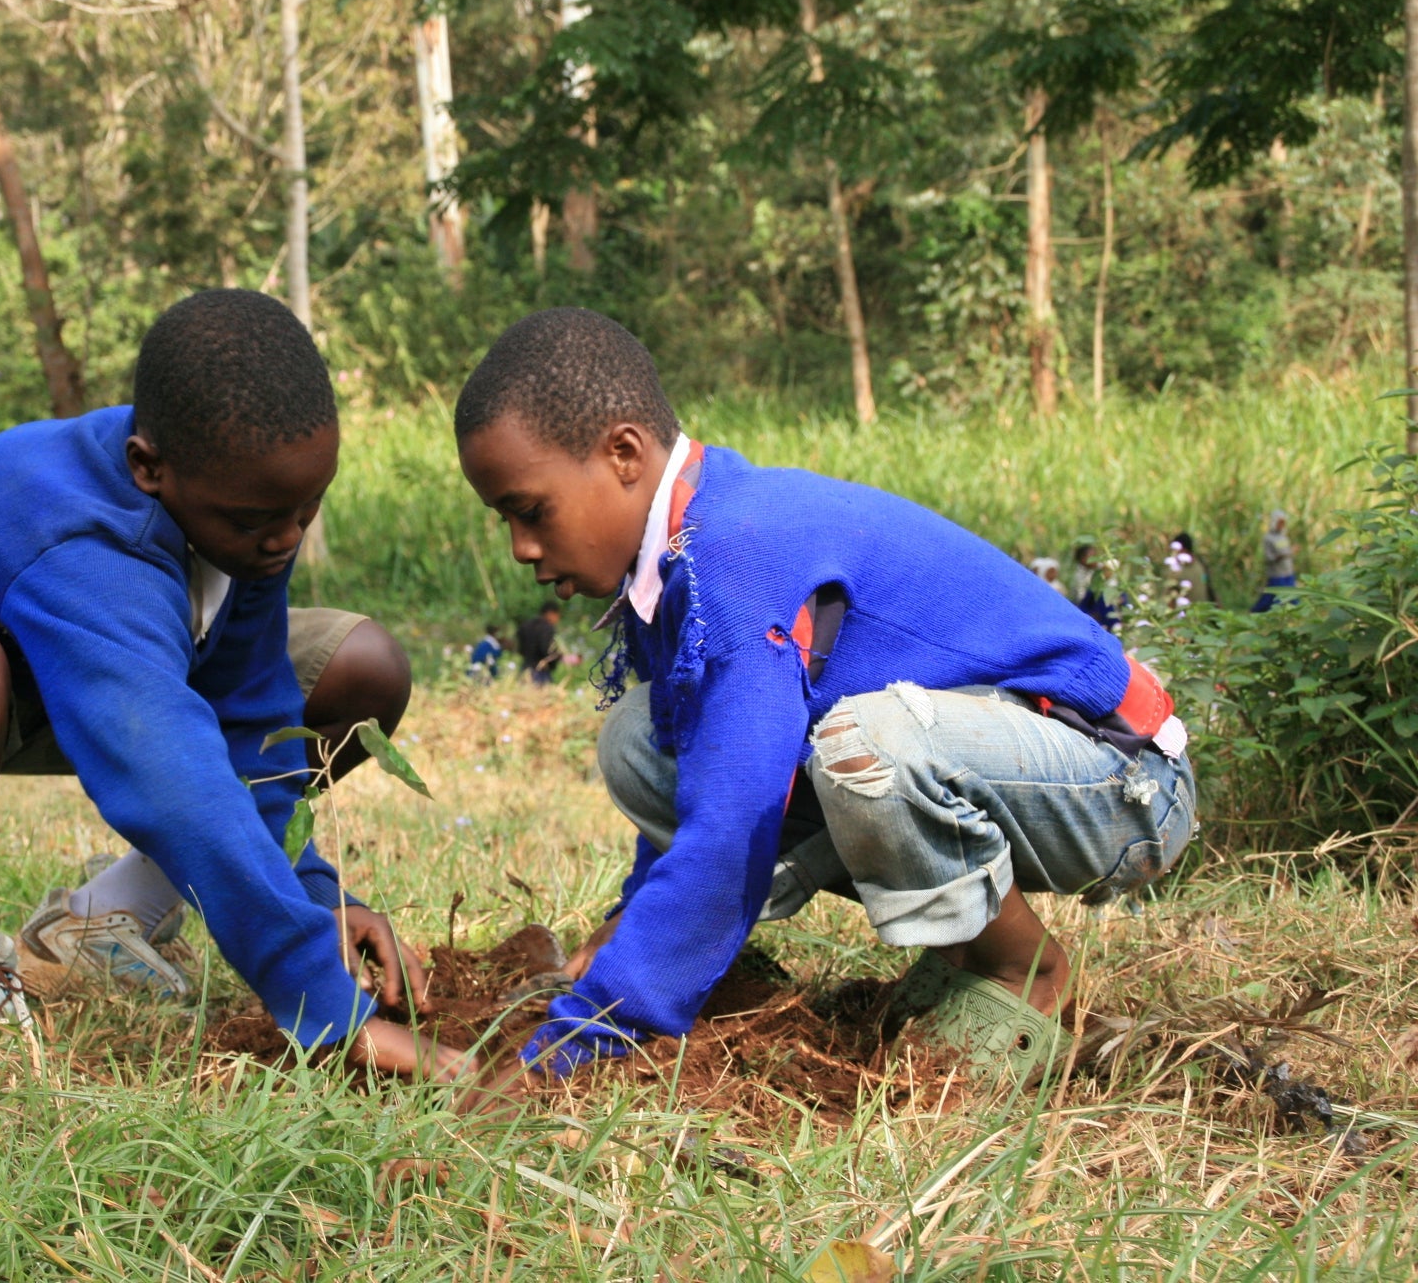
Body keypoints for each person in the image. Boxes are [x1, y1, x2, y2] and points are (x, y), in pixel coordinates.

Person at [454, 308, 1196, 1087]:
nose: (522, 550)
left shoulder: (736, 554)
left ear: (625, 454)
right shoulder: (678, 557)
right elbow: (708, 770)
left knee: (861, 743)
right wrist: (635, 921)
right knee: (644, 740)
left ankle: (1025, 972)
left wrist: (587, 1037)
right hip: (1000, 763)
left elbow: (736, 817)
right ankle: (954, 958)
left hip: (1119, 777)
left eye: (530, 511)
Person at [0, 290, 457, 1080]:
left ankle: (99, 922)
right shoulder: (85, 539)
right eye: (263, 517)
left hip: (40, 677)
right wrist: (330, 1012)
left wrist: (319, 898)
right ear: (147, 468)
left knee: (358, 666)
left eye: (309, 506)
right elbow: (172, 778)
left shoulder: (242, 499)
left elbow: (251, 721)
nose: (287, 538)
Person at [1253, 510, 1295, 613]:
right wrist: (1285, 555)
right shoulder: (1268, 538)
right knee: (1274, 597)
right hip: (1277, 573)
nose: (1282, 525)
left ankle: (1293, 613)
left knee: (1292, 595)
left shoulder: (1283, 537)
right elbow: (1268, 557)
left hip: (1288, 572)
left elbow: (1288, 552)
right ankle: (1259, 612)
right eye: (1280, 522)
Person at [517, 602, 564, 684]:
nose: (557, 620)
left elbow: (520, 649)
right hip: (540, 672)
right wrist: (558, 657)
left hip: (525, 668)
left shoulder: (525, 625)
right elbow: (547, 650)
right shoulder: (547, 628)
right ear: (550, 613)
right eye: (557, 616)